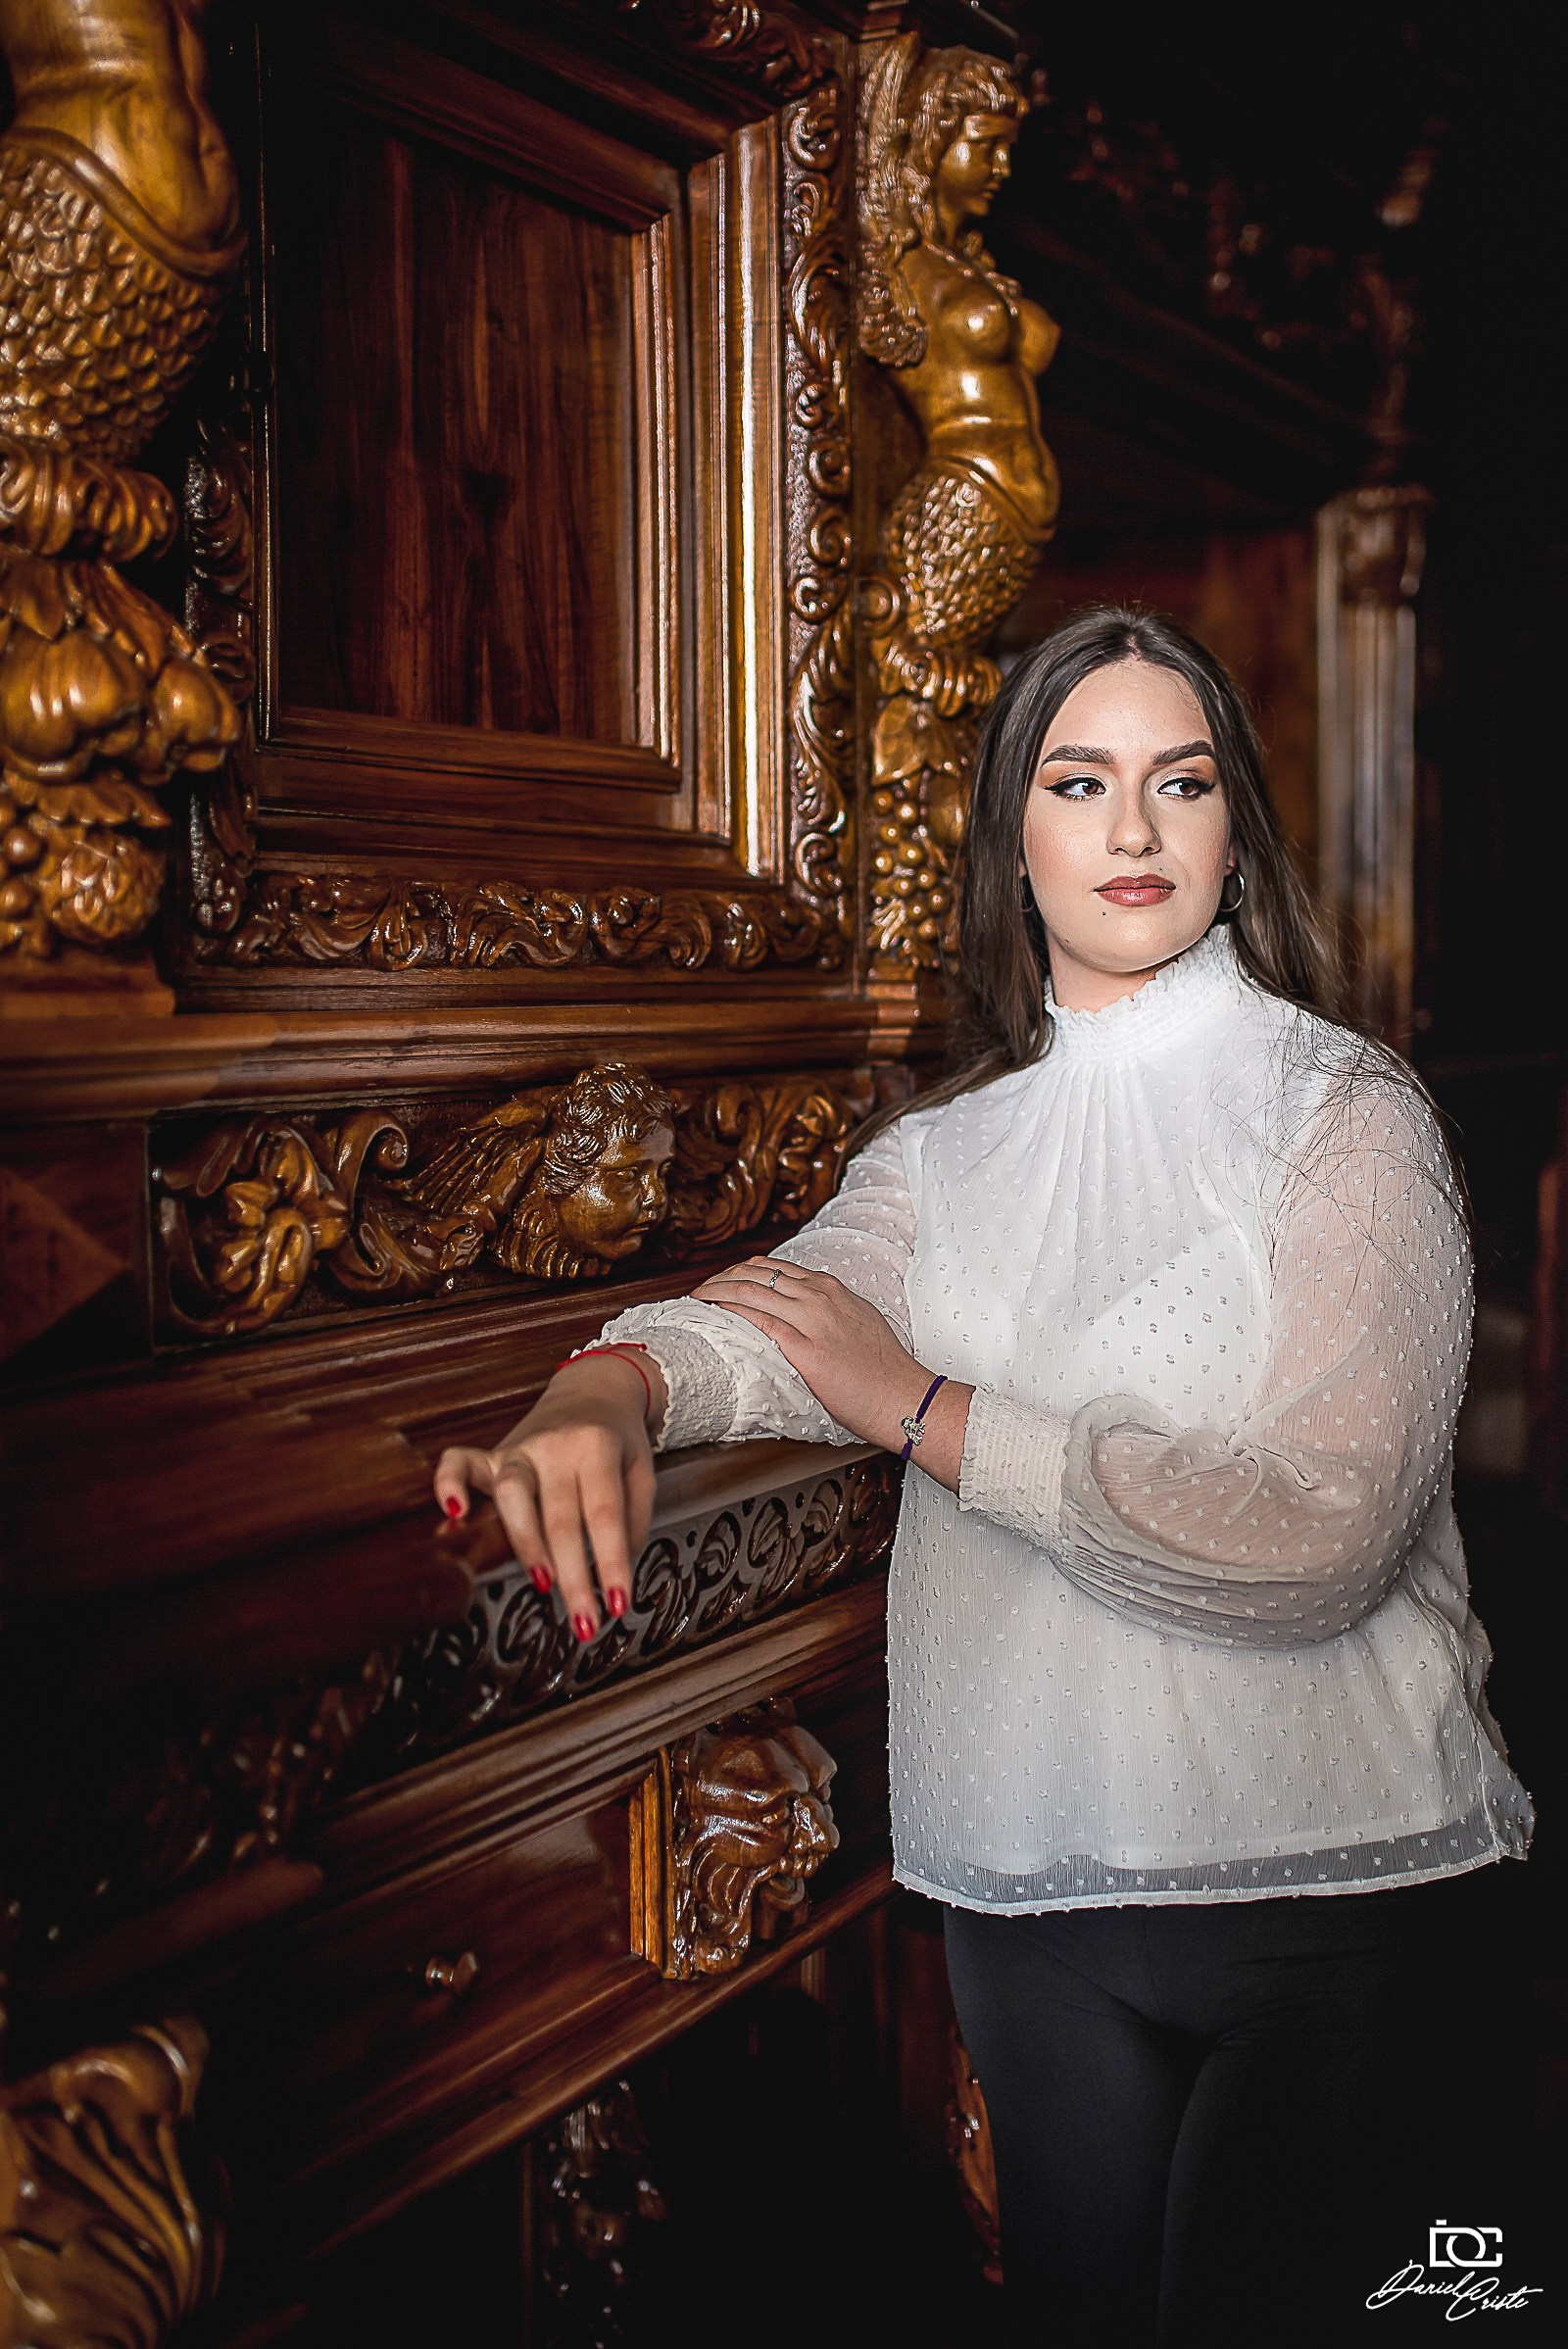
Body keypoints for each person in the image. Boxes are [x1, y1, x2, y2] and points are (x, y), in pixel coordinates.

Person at [435, 608, 1535, 2345]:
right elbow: (784, 1322)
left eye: (1180, 781)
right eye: (1078, 781)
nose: (1133, 826)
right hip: (1027, 1906)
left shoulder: (1350, 1117)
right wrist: (610, 1384)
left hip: (1333, 1889)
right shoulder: (941, 1158)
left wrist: (927, 1410)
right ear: (1012, 836)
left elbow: (1323, 1529)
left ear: (1234, 827)